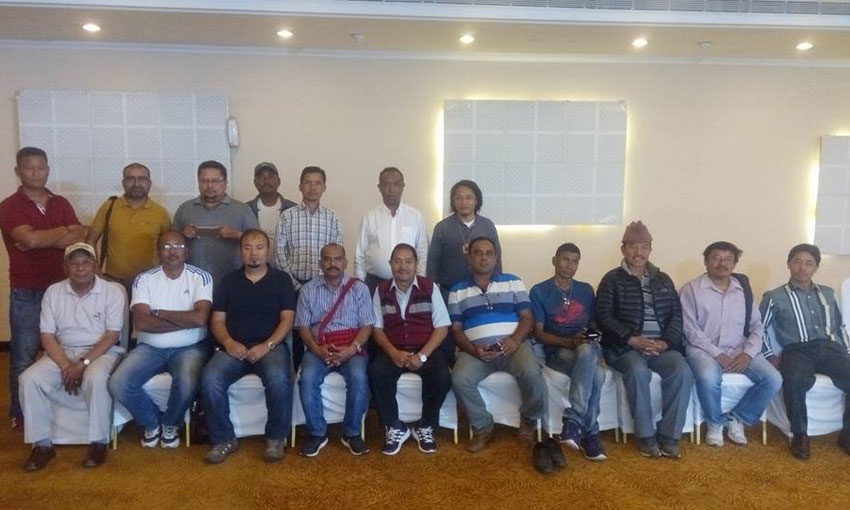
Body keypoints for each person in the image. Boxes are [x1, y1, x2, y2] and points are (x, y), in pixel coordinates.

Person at [19, 243, 125, 471]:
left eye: (86, 262)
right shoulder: (53, 291)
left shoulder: (112, 291)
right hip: (62, 351)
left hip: (101, 352)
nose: (80, 268)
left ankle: (99, 442)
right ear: (65, 267)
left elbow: (112, 335)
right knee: (29, 379)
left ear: (95, 265)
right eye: (74, 263)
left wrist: (82, 364)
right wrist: (67, 365)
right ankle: (42, 444)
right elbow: (47, 335)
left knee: (96, 377)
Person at [0, 147, 85, 431]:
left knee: (64, 349)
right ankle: (21, 412)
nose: (36, 172)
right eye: (29, 167)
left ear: (48, 169)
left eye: (41, 167)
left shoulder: (60, 202)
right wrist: (61, 232)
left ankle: (56, 405)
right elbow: (31, 240)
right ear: (18, 171)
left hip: (62, 289)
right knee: (24, 353)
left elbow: (79, 236)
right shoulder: (9, 206)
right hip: (28, 290)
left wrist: (39, 237)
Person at [596, 221, 694, 459]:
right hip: (625, 349)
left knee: (682, 371)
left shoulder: (663, 279)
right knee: (638, 371)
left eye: (644, 247)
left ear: (650, 249)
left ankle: (669, 436)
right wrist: (632, 339)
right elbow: (604, 316)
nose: (638, 252)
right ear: (623, 249)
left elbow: (676, 316)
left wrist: (665, 343)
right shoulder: (611, 279)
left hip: (661, 347)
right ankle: (646, 435)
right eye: (633, 246)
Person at [108, 231, 212, 450]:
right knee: (118, 383)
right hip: (149, 347)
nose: (173, 251)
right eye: (166, 247)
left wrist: (160, 313)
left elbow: (200, 319)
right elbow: (142, 323)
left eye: (178, 246)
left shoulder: (201, 277)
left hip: (189, 347)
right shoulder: (144, 279)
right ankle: (151, 423)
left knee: (187, 382)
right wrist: (185, 320)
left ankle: (170, 424)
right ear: (158, 252)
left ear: (187, 251)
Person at [200, 229, 296, 464]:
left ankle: (276, 438)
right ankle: (223, 439)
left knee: (278, 378)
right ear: (240, 251)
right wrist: (228, 342)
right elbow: (217, 321)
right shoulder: (228, 282)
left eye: (259, 248)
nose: (254, 253)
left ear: (268, 251)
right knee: (210, 378)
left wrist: (267, 345)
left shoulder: (281, 280)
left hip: (270, 347)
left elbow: (287, 320)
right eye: (248, 248)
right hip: (234, 347)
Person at [449, 236, 547, 454]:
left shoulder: (513, 282)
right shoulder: (457, 291)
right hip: (476, 352)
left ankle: (529, 420)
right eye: (478, 253)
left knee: (532, 373)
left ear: (496, 258)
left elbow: (527, 317)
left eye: (489, 253)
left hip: (514, 347)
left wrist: (515, 340)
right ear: (469, 258)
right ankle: (483, 428)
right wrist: (474, 350)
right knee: (459, 378)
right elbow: (456, 330)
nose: (484, 258)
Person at [681, 241, 781, 448]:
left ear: (735, 264)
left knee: (773, 379)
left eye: (728, 259)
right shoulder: (691, 289)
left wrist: (747, 354)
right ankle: (715, 423)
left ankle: (737, 417)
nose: (722, 263)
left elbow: (757, 326)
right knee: (708, 377)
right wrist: (717, 354)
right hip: (704, 348)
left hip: (738, 349)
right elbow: (689, 329)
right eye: (716, 258)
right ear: (706, 261)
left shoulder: (743, 290)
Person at [761, 243, 850, 459]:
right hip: (797, 350)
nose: (803, 268)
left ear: (816, 267)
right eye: (797, 262)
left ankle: (847, 436)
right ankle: (800, 434)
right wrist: (769, 355)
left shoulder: (827, 293)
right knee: (794, 380)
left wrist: (847, 350)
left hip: (830, 348)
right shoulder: (774, 296)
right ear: (789, 264)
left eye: (809, 263)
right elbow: (759, 328)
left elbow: (839, 326)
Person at [369, 243, 451, 455]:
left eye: (408, 261)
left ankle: (426, 425)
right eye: (397, 261)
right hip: (393, 349)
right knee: (377, 372)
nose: (403, 266)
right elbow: (376, 329)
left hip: (426, 349)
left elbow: (442, 327)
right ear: (390, 264)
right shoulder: (381, 290)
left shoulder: (429, 287)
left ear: (416, 264)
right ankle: (394, 426)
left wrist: (422, 356)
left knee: (442, 377)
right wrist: (393, 353)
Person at [530, 242, 607, 461]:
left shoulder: (586, 290)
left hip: (587, 347)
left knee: (587, 349)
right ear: (554, 261)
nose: (570, 265)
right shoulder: (539, 291)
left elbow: (594, 326)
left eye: (575, 261)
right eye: (565, 260)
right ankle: (589, 433)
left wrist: (594, 335)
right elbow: (539, 333)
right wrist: (569, 342)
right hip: (558, 350)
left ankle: (573, 422)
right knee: (598, 374)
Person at [295, 243, 373, 457]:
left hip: (351, 347)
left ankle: (352, 433)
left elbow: (367, 325)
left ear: (345, 263)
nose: (333, 264)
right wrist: (316, 349)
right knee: (307, 378)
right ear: (320, 263)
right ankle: (317, 433)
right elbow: (303, 327)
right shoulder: (308, 290)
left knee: (359, 377)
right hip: (318, 347)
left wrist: (352, 348)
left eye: (337, 259)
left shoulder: (359, 289)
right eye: (327, 259)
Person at [427, 179, 501, 364]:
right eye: (458, 198)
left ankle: (480, 361)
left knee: (477, 330)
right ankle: (451, 367)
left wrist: (497, 287)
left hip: (480, 292)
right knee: (450, 334)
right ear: (453, 201)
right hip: (449, 292)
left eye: (468, 197)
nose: (464, 202)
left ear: (476, 200)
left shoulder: (487, 225)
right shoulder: (443, 227)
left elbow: (497, 258)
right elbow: (433, 263)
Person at [86, 162, 171, 291]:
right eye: (131, 179)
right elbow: (90, 240)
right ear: (123, 183)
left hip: (149, 282)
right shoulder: (109, 207)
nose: (136, 184)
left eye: (142, 179)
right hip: (113, 281)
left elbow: (168, 248)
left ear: (149, 183)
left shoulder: (160, 213)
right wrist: (96, 271)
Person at [172, 160, 258, 284]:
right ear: (198, 183)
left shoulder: (242, 210)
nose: (209, 185)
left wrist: (237, 235)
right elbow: (170, 242)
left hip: (232, 281)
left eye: (215, 181)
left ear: (225, 183)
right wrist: (182, 235)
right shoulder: (185, 209)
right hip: (191, 281)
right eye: (204, 181)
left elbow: (258, 243)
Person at [354, 167, 428, 295]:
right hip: (375, 284)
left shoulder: (415, 216)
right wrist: (360, 284)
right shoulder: (370, 217)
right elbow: (360, 254)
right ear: (379, 187)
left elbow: (422, 251)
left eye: (396, 184)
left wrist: (420, 281)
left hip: (408, 284)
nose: (391, 189)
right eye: (386, 185)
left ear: (403, 187)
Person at [274, 166, 343, 292]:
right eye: (308, 182)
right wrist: (296, 286)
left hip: (324, 286)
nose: (313, 188)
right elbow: (279, 254)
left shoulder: (333, 218)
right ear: (300, 187)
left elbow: (337, 255)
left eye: (318, 183)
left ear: (324, 187)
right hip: (292, 286)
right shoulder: (286, 217)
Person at [245, 162, 297, 248]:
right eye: (261, 177)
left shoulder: (293, 209)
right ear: (255, 183)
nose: (266, 181)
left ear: (279, 181)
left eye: (271, 177)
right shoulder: (246, 209)